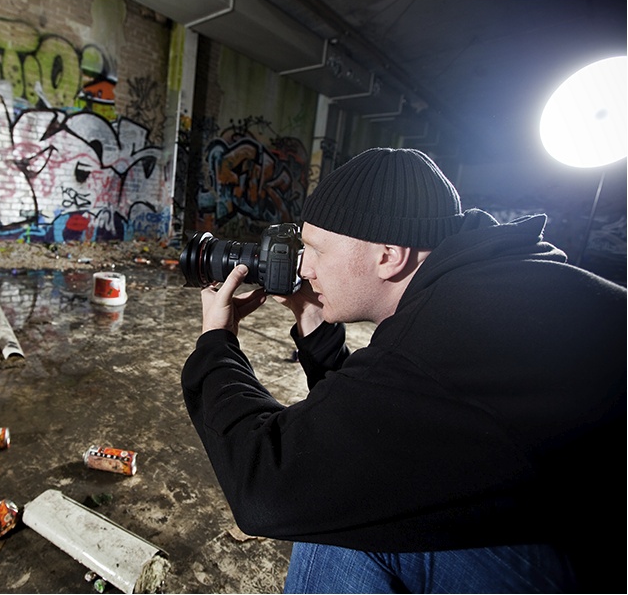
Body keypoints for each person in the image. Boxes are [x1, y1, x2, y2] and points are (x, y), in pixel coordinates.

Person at [181, 148, 625, 593]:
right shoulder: (482, 279)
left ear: (389, 255)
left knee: (343, 521)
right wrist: (315, 323)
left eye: (316, 249)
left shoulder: (446, 330)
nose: (303, 265)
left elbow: (269, 486)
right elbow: (377, 422)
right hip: (575, 531)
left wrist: (215, 343)